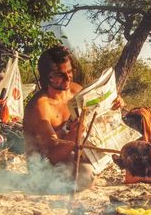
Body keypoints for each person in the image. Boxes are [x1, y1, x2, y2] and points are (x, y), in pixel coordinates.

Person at [23, 45, 124, 190]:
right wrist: (73, 136)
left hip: (71, 156)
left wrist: (114, 103)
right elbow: (51, 157)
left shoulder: (75, 90)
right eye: (60, 75)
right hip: (44, 169)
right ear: (47, 76)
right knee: (86, 175)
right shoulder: (40, 107)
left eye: (70, 72)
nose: (67, 78)